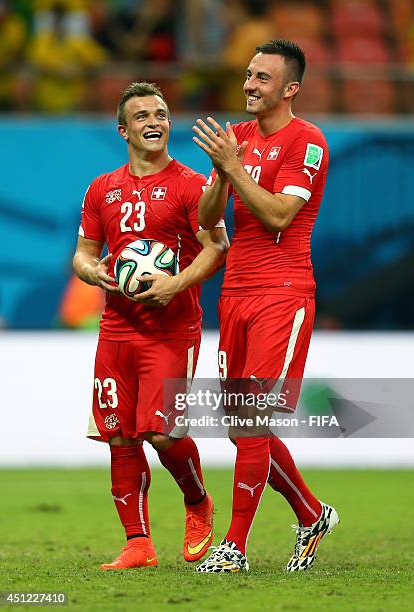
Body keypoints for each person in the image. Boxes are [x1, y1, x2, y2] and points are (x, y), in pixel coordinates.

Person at [192, 39, 339, 573]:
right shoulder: (237, 140)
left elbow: (278, 215)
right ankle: (311, 512)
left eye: (262, 78)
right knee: (240, 427)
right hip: (236, 293)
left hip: (284, 292)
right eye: (248, 74)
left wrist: (234, 168)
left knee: (253, 419)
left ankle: (233, 548)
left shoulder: (309, 141)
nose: (249, 84)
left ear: (290, 88)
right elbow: (209, 219)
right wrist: (220, 169)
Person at [73, 81, 229, 570]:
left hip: (171, 330)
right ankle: (138, 544)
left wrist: (176, 283)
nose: (154, 122)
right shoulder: (102, 188)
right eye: (141, 116)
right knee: (120, 436)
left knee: (163, 435)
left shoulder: (191, 184)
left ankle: (197, 502)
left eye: (161, 114)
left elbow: (217, 246)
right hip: (116, 330)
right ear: (123, 129)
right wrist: (94, 272)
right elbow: (82, 255)